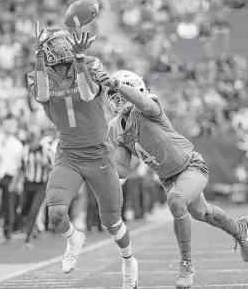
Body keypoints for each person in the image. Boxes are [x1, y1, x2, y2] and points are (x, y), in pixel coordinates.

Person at [96, 70, 248, 289]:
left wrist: (117, 84)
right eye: (112, 94)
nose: (117, 98)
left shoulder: (148, 104)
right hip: (168, 178)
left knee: (177, 201)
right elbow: (121, 170)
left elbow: (142, 102)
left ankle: (187, 264)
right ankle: (239, 229)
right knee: (201, 212)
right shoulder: (114, 128)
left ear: (135, 87)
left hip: (191, 166)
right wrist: (101, 166)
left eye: (120, 91)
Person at [26, 23, 138, 288]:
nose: (62, 47)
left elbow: (88, 94)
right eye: (54, 44)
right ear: (44, 50)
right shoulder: (38, 73)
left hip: (99, 153)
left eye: (65, 41)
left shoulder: (89, 62)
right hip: (69, 153)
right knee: (55, 212)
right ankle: (73, 238)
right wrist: (40, 58)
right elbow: (42, 95)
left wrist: (78, 59)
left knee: (111, 221)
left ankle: (129, 260)